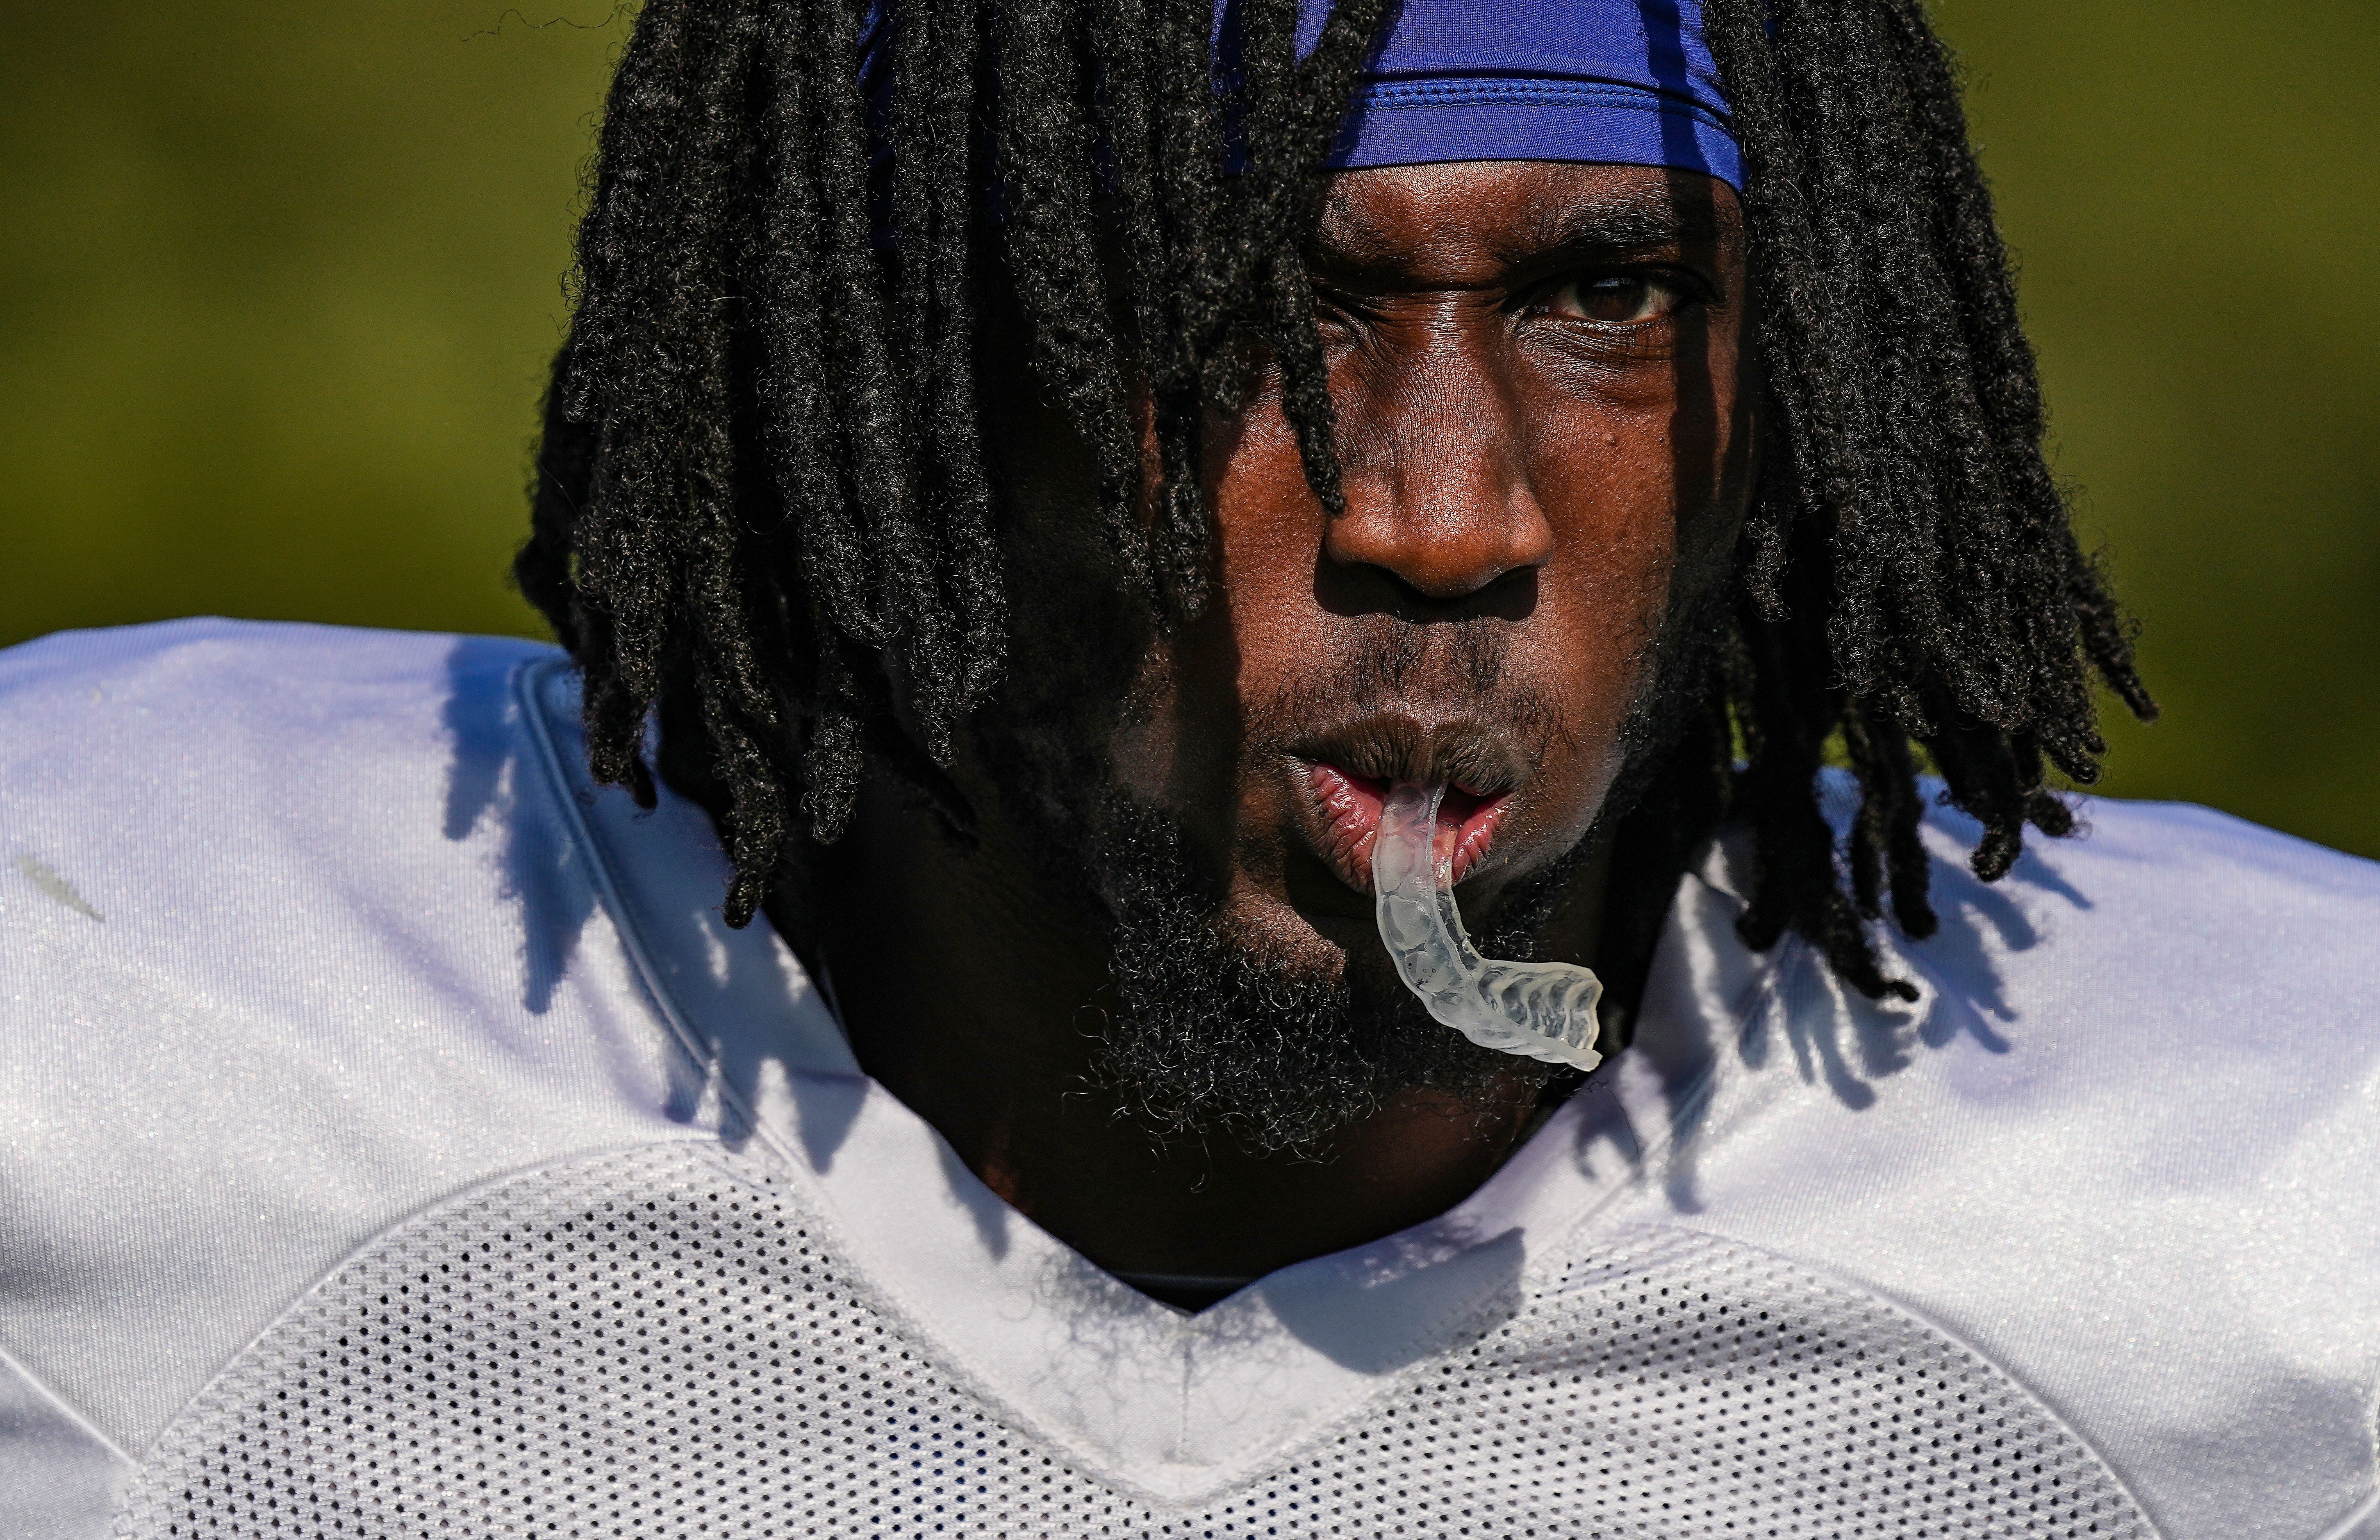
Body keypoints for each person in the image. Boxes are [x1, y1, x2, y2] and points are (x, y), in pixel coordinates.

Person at [3, 0, 2375, 1533]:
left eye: (1603, 300)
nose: (1443, 517)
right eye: (1243, 318)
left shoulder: (2266, 1190)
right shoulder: (120, 991)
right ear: (882, 380)